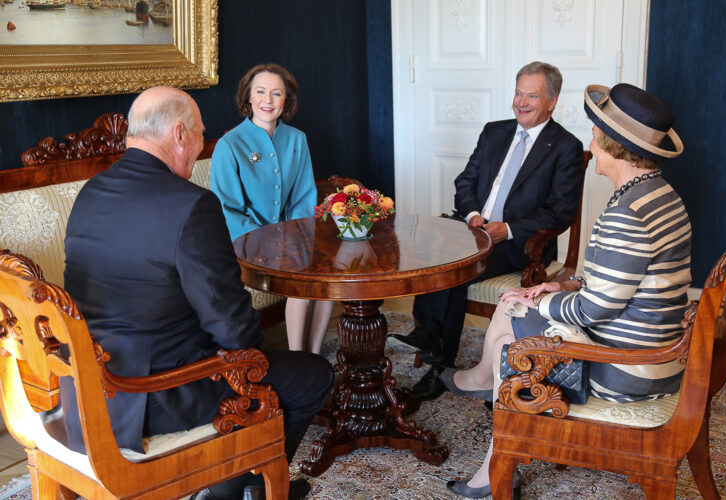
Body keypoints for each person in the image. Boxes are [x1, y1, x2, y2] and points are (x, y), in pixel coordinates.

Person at [62, 86, 334, 500]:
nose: (199, 147)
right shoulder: (192, 205)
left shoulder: (91, 192)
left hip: (86, 389)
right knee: (312, 374)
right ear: (178, 134)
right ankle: (244, 488)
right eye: (200, 135)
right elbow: (234, 328)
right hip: (155, 393)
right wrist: (251, 361)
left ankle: (234, 483)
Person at [443, 82, 691, 498]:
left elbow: (595, 310)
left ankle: (497, 458)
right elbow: (613, 282)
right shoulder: (659, 195)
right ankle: (487, 411)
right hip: (650, 350)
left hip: (628, 370)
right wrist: (554, 286)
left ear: (611, 145)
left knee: (513, 338)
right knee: (515, 309)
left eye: (596, 132)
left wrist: (544, 299)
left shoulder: (627, 214)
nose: (591, 140)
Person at [388, 61, 584, 401]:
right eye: (518, 93)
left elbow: (560, 211)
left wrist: (507, 229)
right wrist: (475, 213)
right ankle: (431, 342)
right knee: (433, 255)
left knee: (455, 268)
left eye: (531, 96)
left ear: (552, 101)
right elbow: (465, 181)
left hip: (518, 245)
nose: (520, 102)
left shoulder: (565, 146)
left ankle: (435, 357)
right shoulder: (495, 131)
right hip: (471, 230)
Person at [211, 63, 334, 355]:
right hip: (248, 241)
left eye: (276, 94)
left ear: (286, 101)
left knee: (329, 281)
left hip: (294, 236)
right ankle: (298, 358)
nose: (268, 100)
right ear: (248, 97)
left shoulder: (297, 139)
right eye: (261, 92)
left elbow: (304, 195)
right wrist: (271, 240)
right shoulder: (229, 145)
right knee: (301, 285)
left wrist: (299, 237)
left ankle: (314, 356)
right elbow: (227, 209)